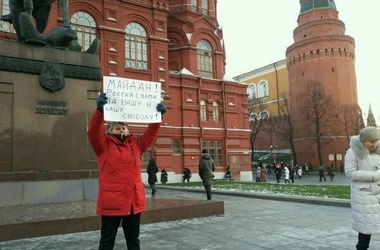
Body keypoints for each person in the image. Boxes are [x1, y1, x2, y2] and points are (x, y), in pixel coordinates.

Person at [87, 92, 166, 250]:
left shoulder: (135, 145)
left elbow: (150, 135)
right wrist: (100, 112)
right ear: (110, 131)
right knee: (107, 241)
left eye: (124, 128)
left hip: (133, 202)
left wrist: (158, 118)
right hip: (112, 202)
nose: (121, 130)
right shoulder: (103, 145)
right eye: (117, 128)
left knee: (133, 240)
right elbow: (93, 132)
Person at [345, 126, 380, 250]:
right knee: (366, 228)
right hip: (364, 195)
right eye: (371, 142)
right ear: (363, 141)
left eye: (376, 141)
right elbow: (350, 172)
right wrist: (373, 175)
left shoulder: (378, 151)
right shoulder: (352, 152)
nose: (374, 144)